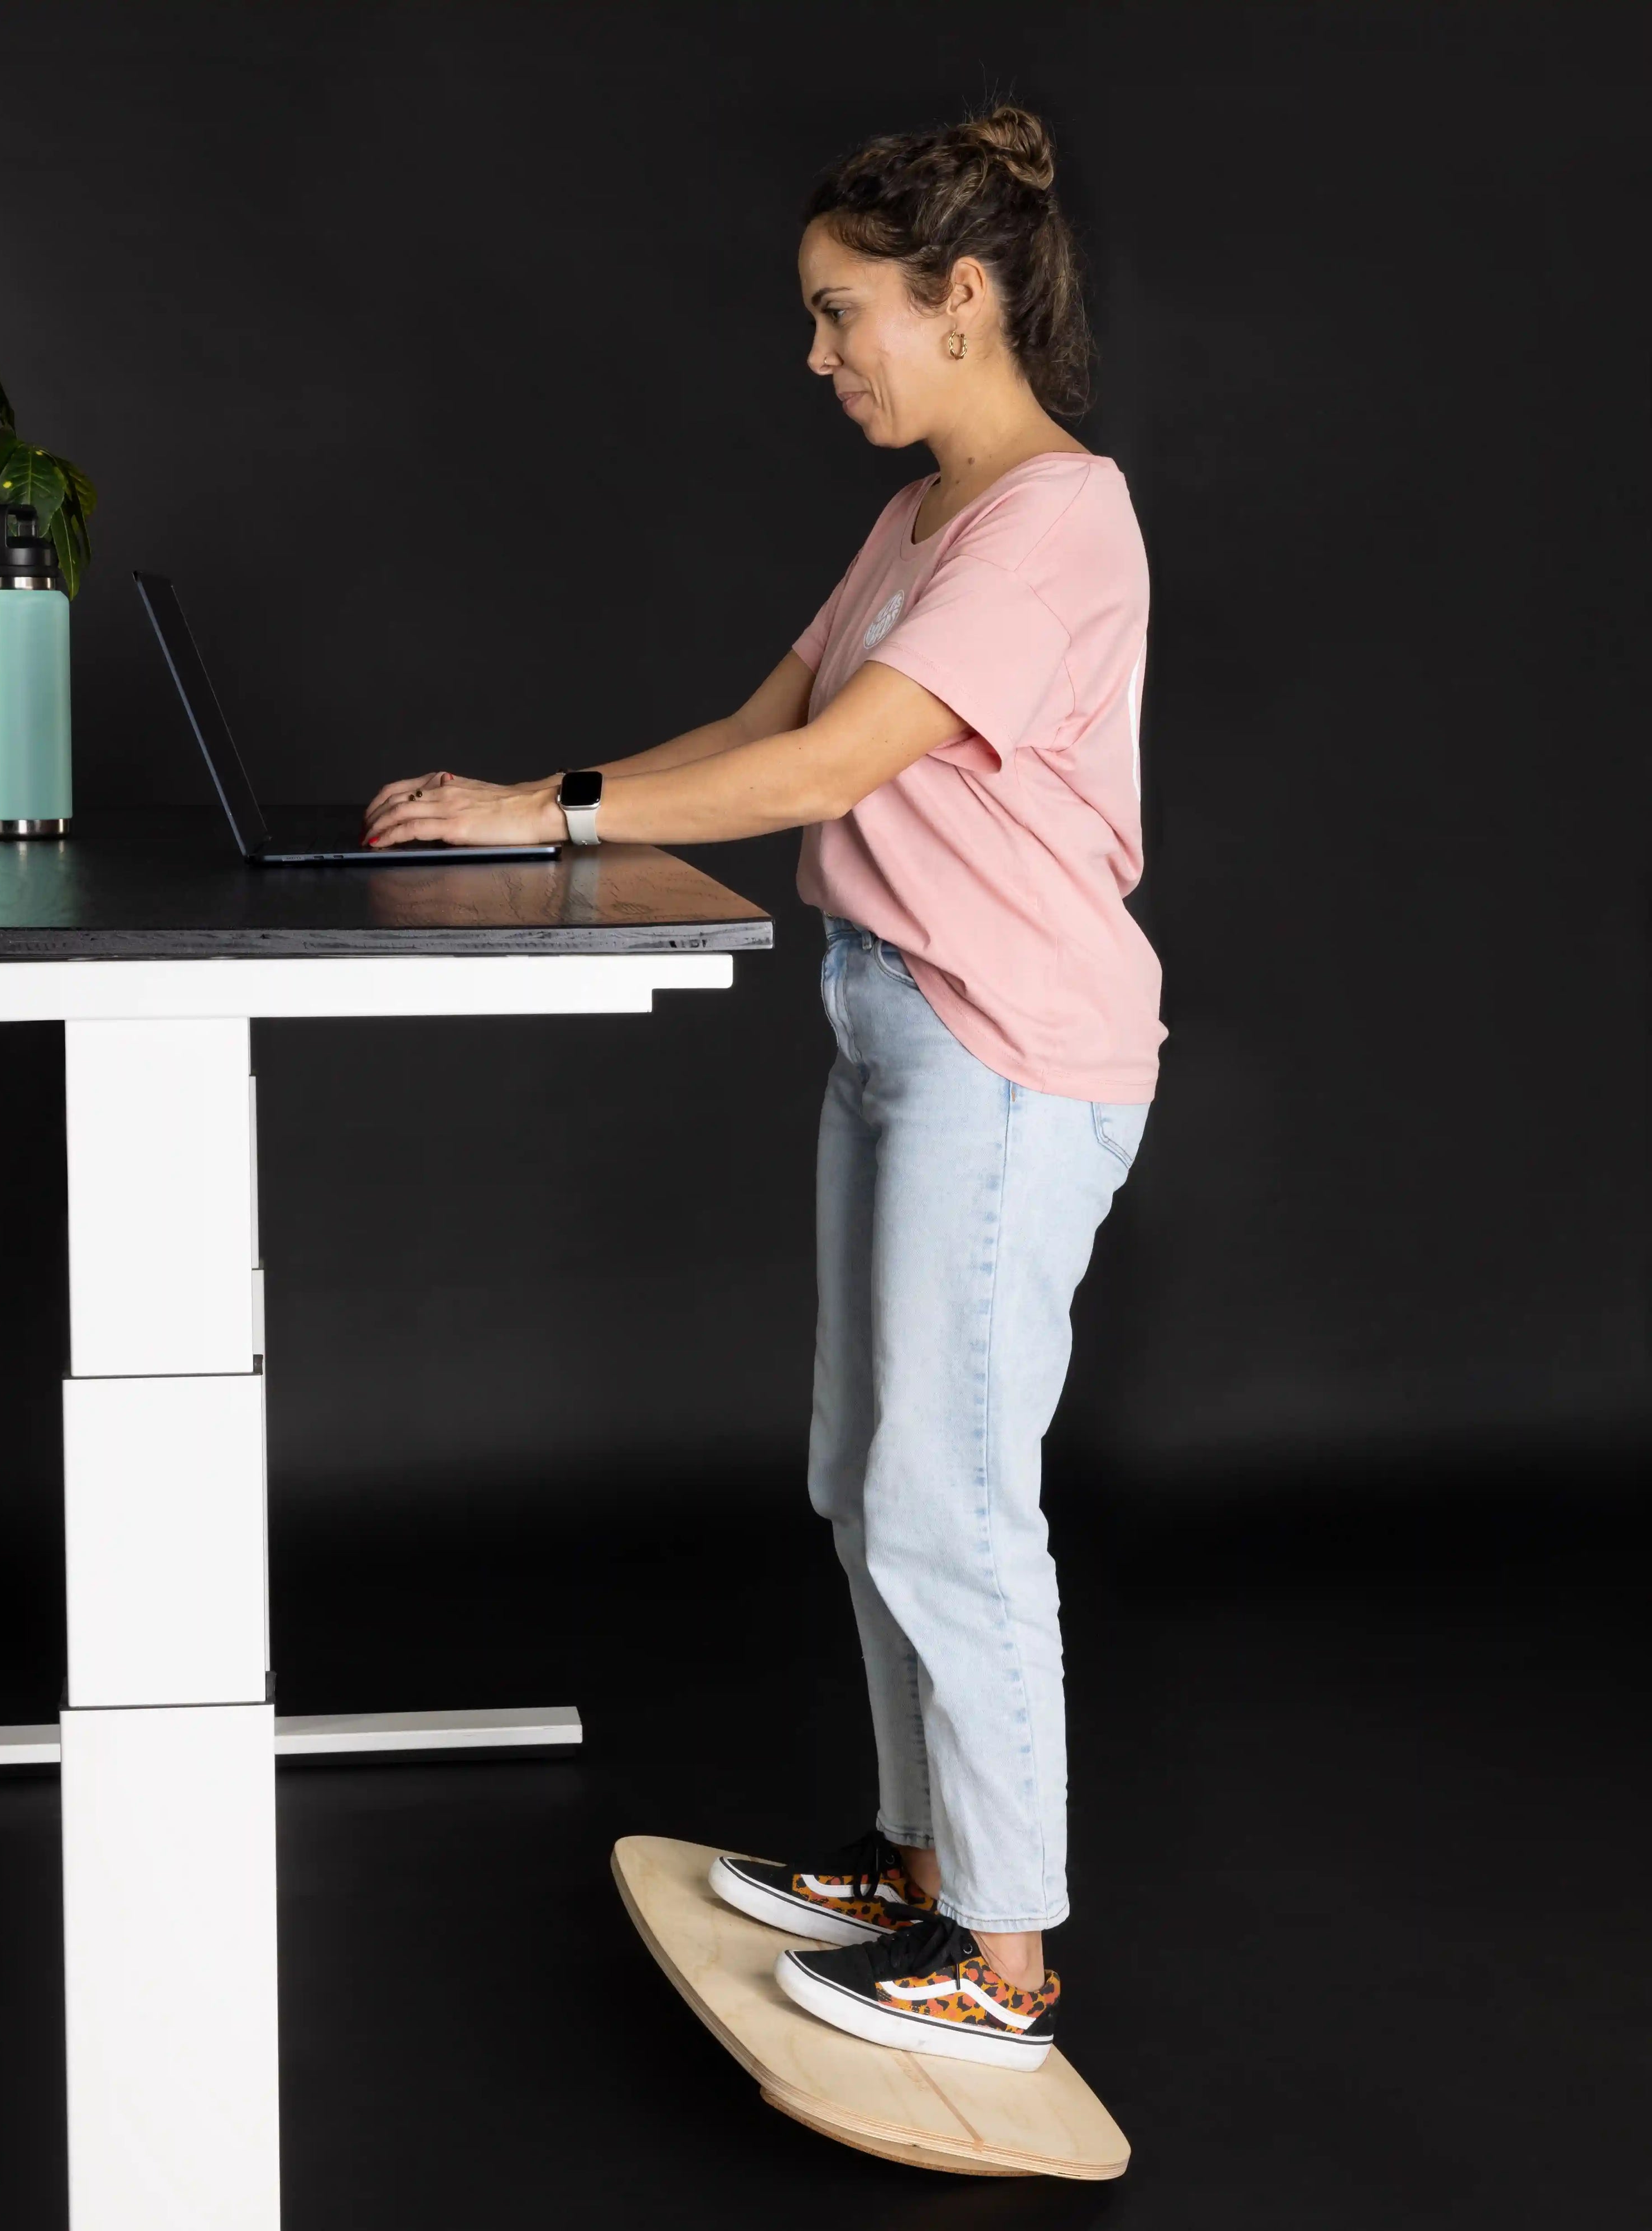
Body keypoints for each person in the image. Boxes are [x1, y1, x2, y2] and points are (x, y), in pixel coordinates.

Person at [362, 103, 1165, 2075]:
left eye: (842, 316)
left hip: (1008, 1046)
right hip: (895, 1020)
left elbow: (824, 775)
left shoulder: (1061, 515)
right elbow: (760, 724)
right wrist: (523, 826)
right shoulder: (916, 522)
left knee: (946, 1495)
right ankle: (916, 1859)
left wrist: (544, 810)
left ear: (959, 298)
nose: (818, 360)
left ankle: (1007, 1953)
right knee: (856, 1474)